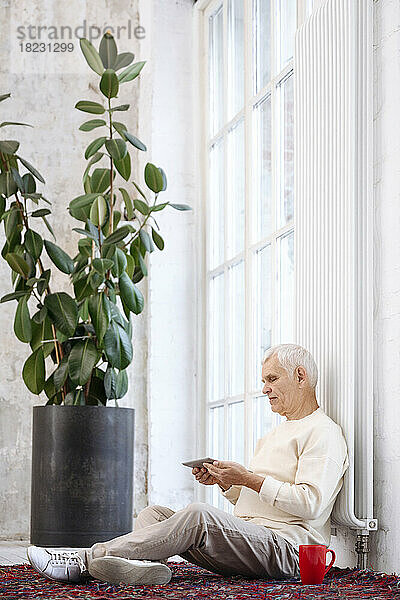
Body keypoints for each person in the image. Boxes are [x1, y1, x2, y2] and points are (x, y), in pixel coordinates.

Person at [27, 343, 349, 587]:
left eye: (271, 379)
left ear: (301, 377)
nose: (264, 388)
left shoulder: (323, 432)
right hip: (253, 537)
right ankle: (147, 569)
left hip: (289, 550)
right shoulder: (274, 434)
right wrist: (227, 482)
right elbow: (256, 501)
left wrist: (248, 478)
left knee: (198, 514)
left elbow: (310, 503)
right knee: (152, 514)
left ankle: (85, 558)